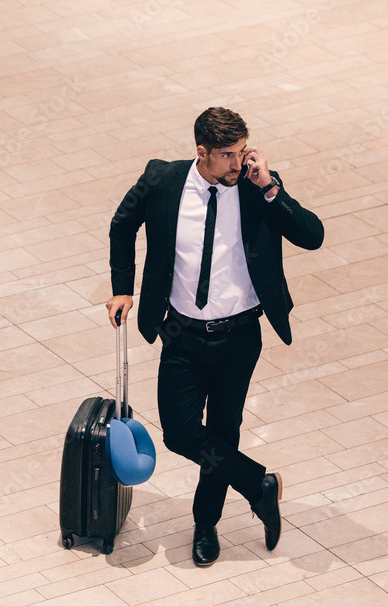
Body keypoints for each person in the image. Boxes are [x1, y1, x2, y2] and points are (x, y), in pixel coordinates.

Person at [105, 107, 324, 567]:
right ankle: (258, 483)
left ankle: (206, 525)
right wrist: (122, 286)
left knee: (224, 432)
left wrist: (268, 187)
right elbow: (123, 224)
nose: (237, 164)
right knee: (181, 433)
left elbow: (312, 236)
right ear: (201, 153)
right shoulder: (163, 181)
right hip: (181, 335)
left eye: (242, 152)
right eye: (227, 155)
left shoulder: (259, 185)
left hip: (240, 335)